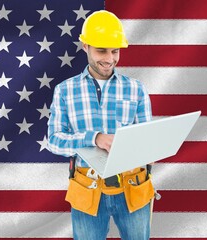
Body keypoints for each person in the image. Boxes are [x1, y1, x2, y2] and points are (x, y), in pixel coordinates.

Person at [47, 10, 154, 239]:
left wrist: (151, 148)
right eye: (101, 51)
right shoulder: (65, 90)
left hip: (132, 187)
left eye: (115, 51)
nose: (109, 59)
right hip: (87, 189)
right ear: (85, 46)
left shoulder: (136, 89)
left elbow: (147, 140)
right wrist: (94, 138)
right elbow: (54, 140)